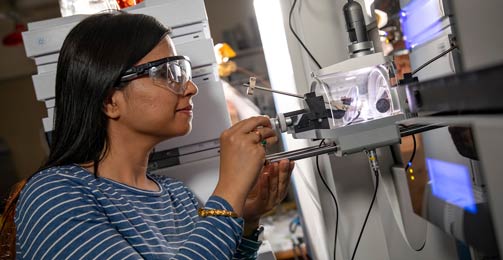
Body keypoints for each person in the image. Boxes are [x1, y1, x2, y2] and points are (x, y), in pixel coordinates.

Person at [0, 12, 293, 259]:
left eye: (183, 71)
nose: (191, 88)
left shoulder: (178, 197)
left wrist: (245, 221)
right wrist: (228, 193)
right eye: (167, 73)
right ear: (109, 101)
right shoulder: (54, 196)